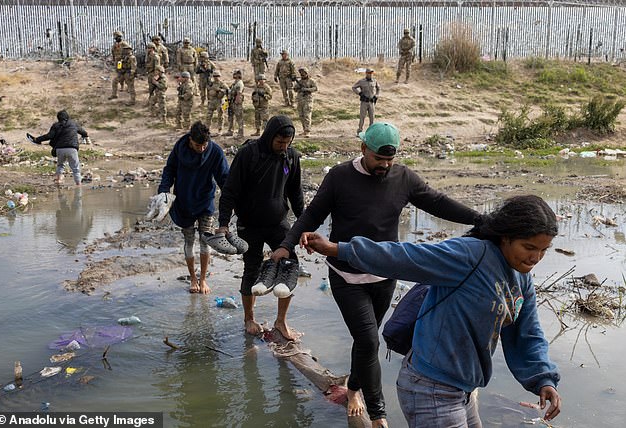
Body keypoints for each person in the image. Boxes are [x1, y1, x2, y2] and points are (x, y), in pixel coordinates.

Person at [270, 122, 480, 427]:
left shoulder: (403, 177)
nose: (384, 165)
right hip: (346, 275)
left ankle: (353, 388)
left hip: (385, 275)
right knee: (369, 342)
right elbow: (313, 213)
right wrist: (287, 245)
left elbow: (437, 202)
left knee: (364, 342)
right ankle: (378, 414)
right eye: (378, 159)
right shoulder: (340, 176)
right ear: (363, 148)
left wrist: (480, 219)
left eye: (389, 160)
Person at [301, 194, 562, 427]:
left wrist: (543, 379)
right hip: (431, 389)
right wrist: (338, 249)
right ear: (505, 237)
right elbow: (403, 257)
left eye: (543, 250)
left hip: (465, 389)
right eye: (529, 247)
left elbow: (527, 334)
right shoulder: (471, 255)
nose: (535, 258)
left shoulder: (521, 279)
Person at [217, 115, 304, 341]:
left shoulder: (291, 158)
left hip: (278, 222)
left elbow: (296, 193)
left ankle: (281, 322)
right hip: (250, 224)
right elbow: (230, 190)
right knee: (252, 269)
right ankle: (249, 318)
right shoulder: (249, 154)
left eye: (287, 143)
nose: (283, 147)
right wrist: (223, 223)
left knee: (289, 267)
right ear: (269, 136)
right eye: (279, 142)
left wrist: (304, 225)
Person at [157, 121, 229, 294]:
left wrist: (233, 198)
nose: (202, 149)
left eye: (205, 145)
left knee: (205, 241)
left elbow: (225, 178)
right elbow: (169, 171)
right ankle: (193, 278)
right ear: (190, 140)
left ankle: (203, 279)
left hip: (205, 201)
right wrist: (164, 193)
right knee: (189, 241)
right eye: (198, 145)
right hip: (183, 202)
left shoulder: (215, 152)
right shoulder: (179, 148)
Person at [31, 110, 89, 186]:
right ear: (67, 117)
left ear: (58, 118)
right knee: (75, 168)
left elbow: (49, 136)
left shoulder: (56, 125)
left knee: (60, 165)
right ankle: (78, 185)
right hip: (72, 149)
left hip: (59, 149)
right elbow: (84, 132)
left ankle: (58, 180)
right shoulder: (74, 124)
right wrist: (84, 136)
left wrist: (37, 139)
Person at [352, 68, 380, 136]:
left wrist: (376, 95)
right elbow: (354, 87)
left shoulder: (374, 81)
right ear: (366, 73)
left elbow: (378, 88)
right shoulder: (362, 81)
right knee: (362, 117)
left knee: (372, 117)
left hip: (371, 102)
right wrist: (360, 93)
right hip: (364, 102)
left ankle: (371, 132)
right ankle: (359, 131)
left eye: (371, 73)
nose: (370, 74)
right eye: (369, 73)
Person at [293, 67, 317, 136]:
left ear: (307, 73)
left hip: (308, 100)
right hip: (300, 100)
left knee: (307, 115)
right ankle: (304, 130)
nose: (302, 75)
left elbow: (315, 88)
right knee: (301, 115)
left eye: (303, 73)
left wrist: (306, 89)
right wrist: (297, 88)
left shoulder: (311, 81)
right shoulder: (299, 81)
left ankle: (307, 131)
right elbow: (295, 89)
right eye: (301, 73)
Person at [224, 69, 245, 138]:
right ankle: (230, 131)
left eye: (235, 74)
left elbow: (239, 93)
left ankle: (240, 133)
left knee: (239, 118)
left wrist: (236, 102)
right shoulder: (235, 83)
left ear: (238, 75)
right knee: (230, 117)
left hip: (236, 103)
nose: (234, 75)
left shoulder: (239, 83)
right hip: (231, 102)